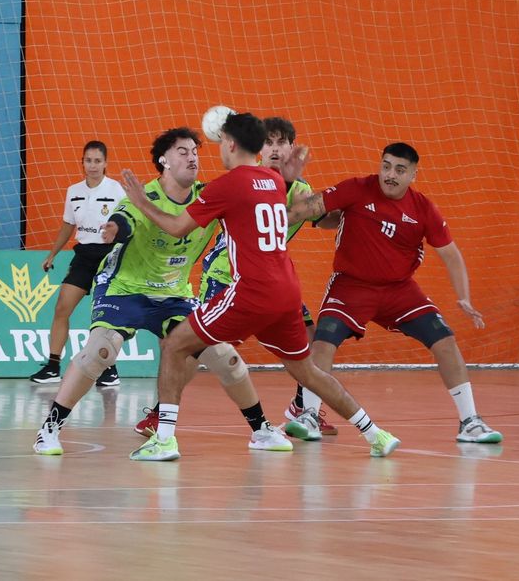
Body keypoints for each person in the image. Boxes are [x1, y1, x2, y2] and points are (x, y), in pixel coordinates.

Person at [120, 112, 399, 461]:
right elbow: (276, 192)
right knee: (306, 370)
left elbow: (178, 227)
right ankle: (376, 433)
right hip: (286, 292)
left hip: (250, 291)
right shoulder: (271, 181)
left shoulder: (229, 184)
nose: (219, 149)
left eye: (221, 143)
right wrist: (289, 176)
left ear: (232, 145)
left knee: (175, 344)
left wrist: (140, 200)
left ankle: (163, 439)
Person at [34, 128, 291, 455]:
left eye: (195, 151)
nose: (192, 157)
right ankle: (49, 429)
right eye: (182, 151)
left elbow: (255, 198)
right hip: (125, 289)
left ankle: (261, 431)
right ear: (164, 161)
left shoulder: (209, 195)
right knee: (101, 351)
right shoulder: (146, 196)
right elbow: (125, 219)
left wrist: (280, 172)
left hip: (175, 295)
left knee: (226, 357)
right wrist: (114, 229)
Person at [284, 142, 502, 444]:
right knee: (323, 342)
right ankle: (309, 415)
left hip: (400, 290)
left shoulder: (423, 208)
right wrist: (266, 219)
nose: (390, 174)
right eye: (386, 166)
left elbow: (450, 254)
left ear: (413, 174)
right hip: (352, 286)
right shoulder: (357, 189)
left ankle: (470, 422)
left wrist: (463, 296)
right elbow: (308, 208)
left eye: (400, 170)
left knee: (445, 340)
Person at [191, 115, 339, 439]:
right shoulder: (246, 180)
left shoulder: (300, 189)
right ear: (259, 148)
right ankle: (161, 414)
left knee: (313, 342)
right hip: (227, 275)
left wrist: (351, 215)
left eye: (281, 142)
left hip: (271, 281)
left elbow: (320, 218)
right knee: (198, 347)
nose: (274, 149)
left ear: (290, 148)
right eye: (268, 143)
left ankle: (303, 407)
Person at [30, 141, 125, 386]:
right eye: (88, 160)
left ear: (105, 163)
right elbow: (67, 225)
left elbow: (130, 223)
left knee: (103, 317)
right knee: (62, 308)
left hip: (109, 256)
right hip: (83, 255)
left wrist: (118, 236)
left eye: (97, 161)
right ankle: (52, 367)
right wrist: (52, 254)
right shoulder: (74, 191)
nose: (92, 165)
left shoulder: (116, 190)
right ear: (82, 162)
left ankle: (109, 370)